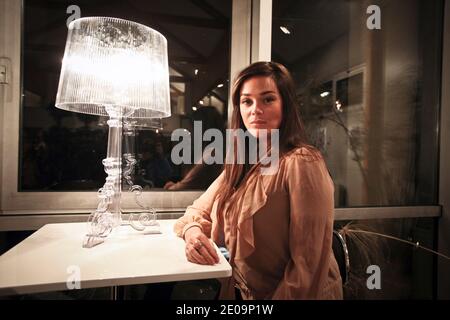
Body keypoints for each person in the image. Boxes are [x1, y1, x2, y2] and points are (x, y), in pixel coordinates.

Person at [173, 61, 343, 300]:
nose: (255, 110)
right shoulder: (242, 162)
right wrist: (193, 235)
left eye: (268, 99)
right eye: (247, 101)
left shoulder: (302, 162)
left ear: (286, 104)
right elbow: (194, 211)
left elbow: (307, 267)